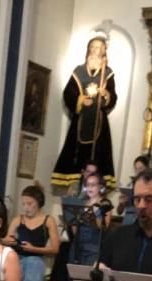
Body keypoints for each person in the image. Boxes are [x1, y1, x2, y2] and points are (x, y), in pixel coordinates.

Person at [51, 36, 118, 190]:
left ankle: (96, 185)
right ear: (88, 50)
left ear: (104, 52)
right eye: (93, 47)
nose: (96, 51)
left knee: (98, 154)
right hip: (80, 122)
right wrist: (80, 100)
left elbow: (113, 96)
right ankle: (75, 183)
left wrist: (106, 95)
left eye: (100, 48)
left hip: (98, 123)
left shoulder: (107, 74)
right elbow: (68, 93)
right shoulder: (78, 72)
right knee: (76, 153)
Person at [69, 171, 112, 266]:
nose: (90, 187)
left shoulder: (105, 203)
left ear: (100, 187)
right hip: (77, 247)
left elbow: (104, 227)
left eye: (93, 185)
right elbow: (75, 232)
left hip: (93, 249)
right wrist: (72, 218)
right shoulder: (82, 203)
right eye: (87, 185)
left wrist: (94, 213)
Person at [116, 155, 150, 225]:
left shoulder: (151, 186)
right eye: (136, 169)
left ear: (147, 169)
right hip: (128, 219)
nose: (138, 172)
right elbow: (119, 212)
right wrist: (121, 204)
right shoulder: (130, 185)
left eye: (140, 168)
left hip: (142, 219)